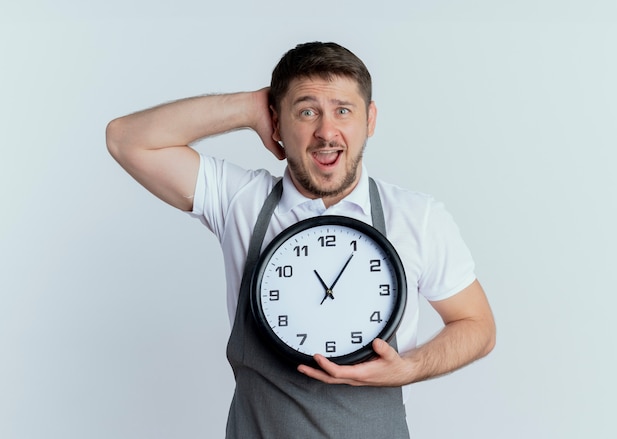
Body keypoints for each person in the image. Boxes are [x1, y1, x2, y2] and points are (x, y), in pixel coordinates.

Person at [106, 41, 496, 438]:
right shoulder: (240, 201)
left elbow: (477, 325)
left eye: (343, 110)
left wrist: (410, 367)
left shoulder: (417, 217)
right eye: (306, 111)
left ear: (370, 120)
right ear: (276, 123)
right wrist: (248, 107)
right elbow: (126, 139)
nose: (326, 131)